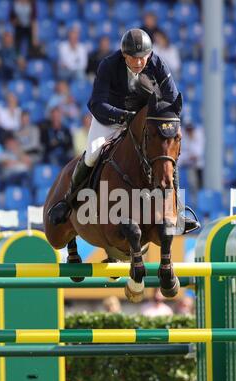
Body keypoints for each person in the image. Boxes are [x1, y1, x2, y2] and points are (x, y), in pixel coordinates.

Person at [48, 28, 199, 234]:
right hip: (110, 119)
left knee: (164, 156)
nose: (138, 63)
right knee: (92, 154)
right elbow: (96, 103)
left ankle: (176, 211)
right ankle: (68, 202)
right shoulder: (109, 65)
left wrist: (164, 121)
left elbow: (172, 99)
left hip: (143, 122)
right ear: (124, 55)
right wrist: (125, 117)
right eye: (133, 58)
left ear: (149, 54)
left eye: (142, 58)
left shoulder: (157, 64)